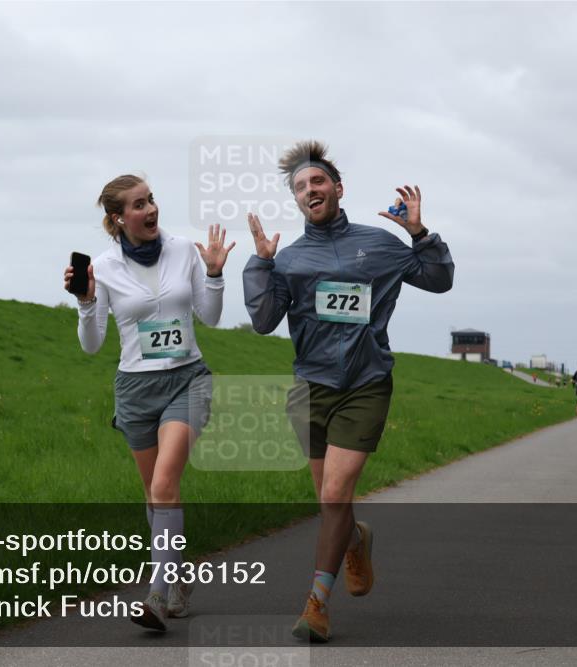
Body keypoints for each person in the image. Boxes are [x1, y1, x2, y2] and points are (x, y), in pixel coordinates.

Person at [243, 141, 454, 642]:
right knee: (330, 504)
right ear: (296, 200)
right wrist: (260, 265)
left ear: (337, 189)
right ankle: (356, 539)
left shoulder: (379, 244)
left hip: (365, 384)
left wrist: (419, 233)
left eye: (317, 181)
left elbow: (440, 280)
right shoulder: (289, 259)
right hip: (310, 389)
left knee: (337, 492)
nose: (309, 190)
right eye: (300, 186)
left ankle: (316, 604)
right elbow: (263, 321)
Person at [64, 174, 235, 631]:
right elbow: (92, 345)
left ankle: (158, 593)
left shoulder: (183, 251)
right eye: (139, 205)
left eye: (152, 199)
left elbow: (211, 317)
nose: (151, 209)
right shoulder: (104, 267)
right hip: (135, 389)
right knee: (155, 495)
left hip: (187, 380)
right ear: (118, 218)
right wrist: (85, 301)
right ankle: (178, 579)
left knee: (164, 485)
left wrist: (215, 274)